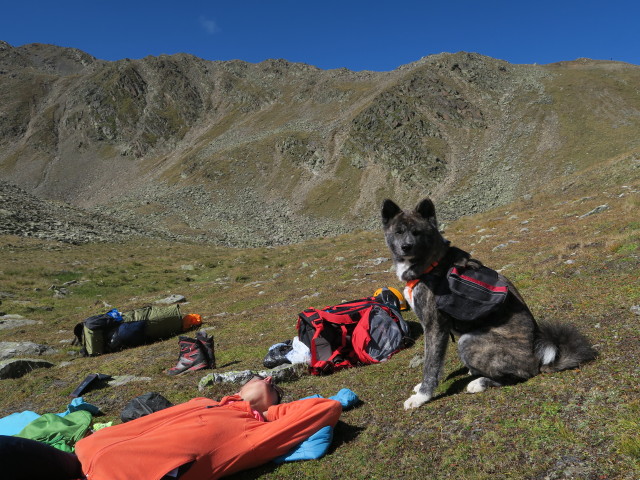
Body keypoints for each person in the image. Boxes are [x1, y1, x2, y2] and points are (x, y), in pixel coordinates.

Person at [0, 376, 342, 480]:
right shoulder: (206, 402)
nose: (265, 377)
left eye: (270, 384)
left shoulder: (254, 434)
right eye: (261, 376)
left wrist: (272, 413)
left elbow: (327, 406)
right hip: (81, 454)